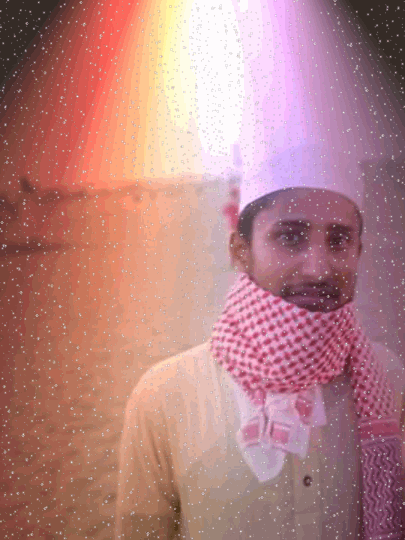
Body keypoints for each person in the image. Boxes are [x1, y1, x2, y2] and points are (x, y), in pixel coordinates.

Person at [115, 144, 405, 540]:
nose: (318, 269)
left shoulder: (389, 380)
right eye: (290, 237)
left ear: (359, 252)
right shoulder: (164, 397)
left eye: (338, 240)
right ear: (241, 251)